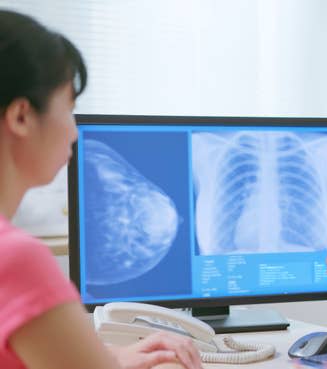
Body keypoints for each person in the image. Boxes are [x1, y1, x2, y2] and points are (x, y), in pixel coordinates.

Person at [0, 10, 202, 369]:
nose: (75, 132)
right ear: (21, 117)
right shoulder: (18, 261)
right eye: (69, 109)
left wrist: (109, 359)